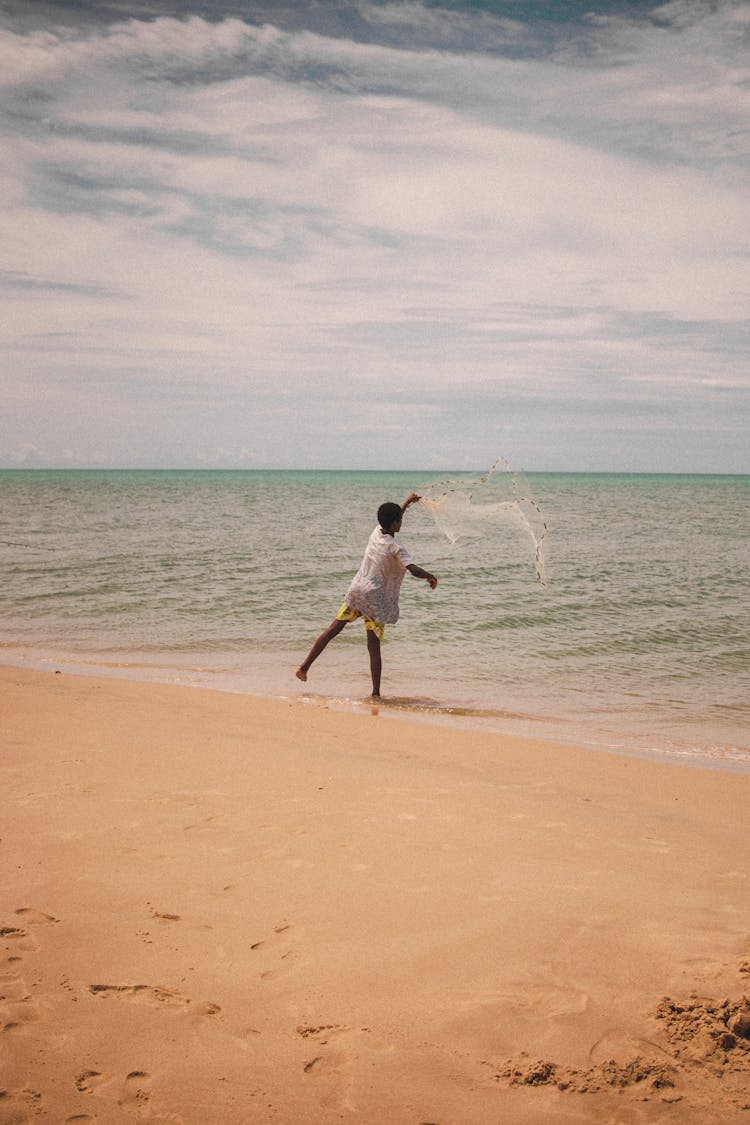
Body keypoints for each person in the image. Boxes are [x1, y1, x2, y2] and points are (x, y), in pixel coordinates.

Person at [295, 492, 438, 698]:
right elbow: (413, 569)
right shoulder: (396, 547)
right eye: (400, 520)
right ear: (395, 523)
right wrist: (430, 577)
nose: (401, 522)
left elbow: (391, 516)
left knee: (333, 629)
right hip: (374, 601)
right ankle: (375, 693)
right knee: (373, 646)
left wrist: (406, 503)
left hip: (357, 592)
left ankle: (304, 668)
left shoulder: (376, 533)